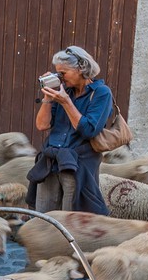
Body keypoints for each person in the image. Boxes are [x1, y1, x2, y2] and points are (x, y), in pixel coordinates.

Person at [25, 46, 114, 215]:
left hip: (78, 164)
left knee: (71, 218)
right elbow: (42, 126)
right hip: (50, 162)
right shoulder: (64, 91)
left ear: (81, 68)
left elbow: (88, 130)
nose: (60, 77)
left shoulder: (101, 93)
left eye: (63, 73)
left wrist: (66, 102)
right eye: (57, 73)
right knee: (44, 217)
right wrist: (48, 98)